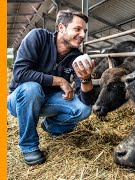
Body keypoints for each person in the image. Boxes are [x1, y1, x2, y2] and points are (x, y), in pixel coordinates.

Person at [7, 9, 97, 165]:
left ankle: (51, 126)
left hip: (50, 101)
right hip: (21, 100)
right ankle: (28, 146)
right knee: (32, 89)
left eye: (84, 31)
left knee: (84, 109)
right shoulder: (38, 37)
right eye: (77, 29)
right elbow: (20, 73)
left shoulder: (76, 56)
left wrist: (86, 79)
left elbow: (86, 100)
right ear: (61, 28)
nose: (83, 35)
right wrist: (60, 81)